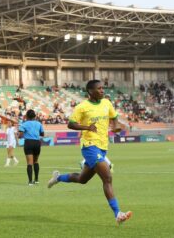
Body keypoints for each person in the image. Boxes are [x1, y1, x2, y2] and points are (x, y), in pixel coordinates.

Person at [47, 80, 132, 224]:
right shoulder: (82, 107)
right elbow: (70, 124)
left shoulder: (106, 103)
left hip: (102, 147)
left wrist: (116, 126)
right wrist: (87, 127)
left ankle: (58, 178)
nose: (102, 90)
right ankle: (118, 214)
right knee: (107, 178)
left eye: (102, 88)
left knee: (82, 179)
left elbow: (114, 118)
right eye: (99, 88)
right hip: (89, 146)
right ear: (90, 91)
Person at [19, 109, 44, 185]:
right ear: (34, 116)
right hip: (37, 143)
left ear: (26, 116)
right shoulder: (39, 124)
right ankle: (36, 180)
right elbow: (42, 134)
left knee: (29, 163)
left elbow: (20, 135)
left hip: (28, 143)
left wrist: (20, 135)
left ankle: (30, 182)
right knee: (36, 161)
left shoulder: (24, 124)